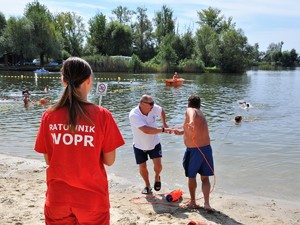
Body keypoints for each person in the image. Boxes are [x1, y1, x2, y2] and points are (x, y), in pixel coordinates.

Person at [34, 57, 125, 225]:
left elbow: (49, 160)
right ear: (89, 80)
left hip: (58, 199)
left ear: (63, 81)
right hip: (92, 201)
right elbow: (109, 161)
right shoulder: (102, 116)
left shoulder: (49, 115)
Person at [174, 95, 214, 211]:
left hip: (194, 151)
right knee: (205, 178)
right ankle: (207, 204)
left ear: (188, 104)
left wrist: (190, 121)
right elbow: (196, 130)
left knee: (191, 177)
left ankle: (192, 202)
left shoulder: (190, 110)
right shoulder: (202, 114)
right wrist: (182, 132)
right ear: (199, 105)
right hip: (206, 149)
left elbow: (191, 114)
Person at [129, 94, 172, 194]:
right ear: (143, 104)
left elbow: (162, 111)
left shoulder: (154, 108)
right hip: (139, 145)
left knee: (158, 166)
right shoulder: (134, 114)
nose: (153, 105)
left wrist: (164, 123)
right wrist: (163, 130)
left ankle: (157, 177)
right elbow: (146, 130)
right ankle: (147, 185)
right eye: (151, 103)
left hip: (154, 143)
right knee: (143, 167)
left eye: (153, 103)